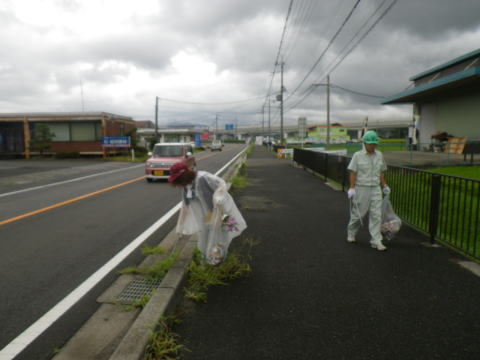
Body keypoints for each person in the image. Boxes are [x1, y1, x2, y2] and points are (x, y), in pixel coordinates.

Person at [168, 162, 247, 264]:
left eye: (178, 179)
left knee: (219, 236)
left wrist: (212, 222)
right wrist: (180, 225)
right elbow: (185, 205)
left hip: (218, 212)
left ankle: (218, 261)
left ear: (184, 176)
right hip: (206, 216)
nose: (178, 182)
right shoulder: (186, 185)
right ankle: (207, 260)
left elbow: (211, 204)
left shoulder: (202, 180)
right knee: (205, 238)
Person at [347, 130, 390, 251]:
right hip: (362, 188)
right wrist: (352, 187)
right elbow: (353, 172)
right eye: (370, 144)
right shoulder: (357, 155)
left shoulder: (379, 155)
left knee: (376, 215)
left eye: (374, 144)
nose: (373, 146)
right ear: (364, 143)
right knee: (358, 214)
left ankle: (376, 240)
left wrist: (384, 185)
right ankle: (351, 232)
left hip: (375, 189)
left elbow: (381, 171)